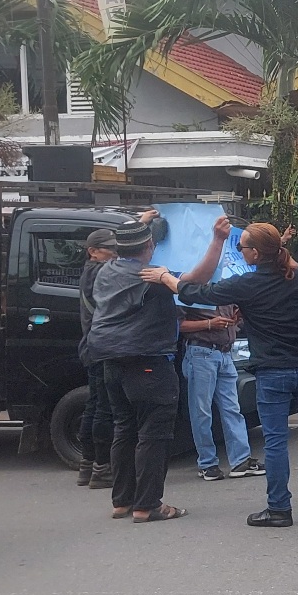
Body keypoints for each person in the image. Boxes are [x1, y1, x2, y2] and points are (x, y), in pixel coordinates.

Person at [165, 220, 298, 529]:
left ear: (256, 253)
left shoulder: (245, 284)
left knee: (274, 441)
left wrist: (165, 276)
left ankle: (279, 508)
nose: (240, 251)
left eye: (242, 247)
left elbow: (193, 292)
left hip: (273, 372)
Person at [84, 212, 196, 523]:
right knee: (153, 434)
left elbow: (127, 241)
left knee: (125, 428)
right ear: (149, 245)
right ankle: (148, 505)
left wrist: (137, 221)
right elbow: (196, 281)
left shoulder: (104, 271)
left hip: (109, 361)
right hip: (148, 360)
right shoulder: (151, 275)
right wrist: (215, 241)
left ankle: (122, 502)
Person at [180, 298, 260, 481]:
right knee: (201, 411)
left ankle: (240, 460)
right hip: (201, 352)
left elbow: (233, 317)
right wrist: (209, 323)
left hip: (224, 353)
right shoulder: (190, 289)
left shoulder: (222, 288)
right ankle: (207, 463)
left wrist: (236, 318)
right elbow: (177, 325)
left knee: (232, 409)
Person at [76, 228, 118, 489]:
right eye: (110, 249)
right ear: (93, 251)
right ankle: (102, 468)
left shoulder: (89, 270)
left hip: (92, 347)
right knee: (105, 408)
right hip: (102, 348)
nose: (115, 253)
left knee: (94, 406)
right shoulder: (99, 272)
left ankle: (87, 464)